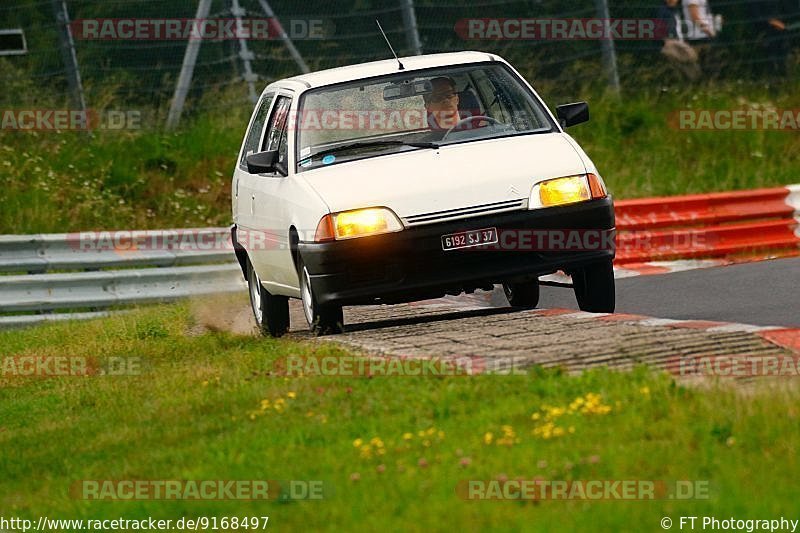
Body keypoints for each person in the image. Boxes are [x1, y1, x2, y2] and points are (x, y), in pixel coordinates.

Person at [657, 0, 701, 79]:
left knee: (688, 62)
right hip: (672, 42)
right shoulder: (663, 11)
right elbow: (661, 27)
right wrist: (666, 40)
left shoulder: (676, 10)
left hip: (679, 40)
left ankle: (692, 81)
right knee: (686, 61)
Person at [747, 0, 793, 76]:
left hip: (782, 31)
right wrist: (772, 22)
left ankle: (784, 75)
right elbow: (755, 16)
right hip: (765, 32)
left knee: (784, 50)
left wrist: (784, 24)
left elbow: (789, 10)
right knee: (772, 55)